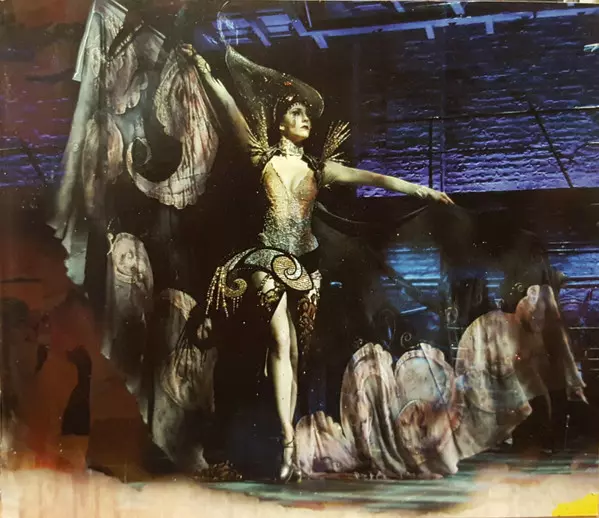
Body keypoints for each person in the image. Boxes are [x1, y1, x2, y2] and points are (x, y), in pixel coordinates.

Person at [179, 44, 454, 482]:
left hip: (304, 264)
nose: (305, 119)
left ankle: (287, 449)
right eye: (296, 113)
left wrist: (422, 190)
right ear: (280, 123)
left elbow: (373, 177)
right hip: (266, 258)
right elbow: (229, 108)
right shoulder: (261, 158)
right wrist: (204, 70)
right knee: (278, 341)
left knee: (291, 352)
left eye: (308, 114)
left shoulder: (318, 169)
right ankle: (288, 439)